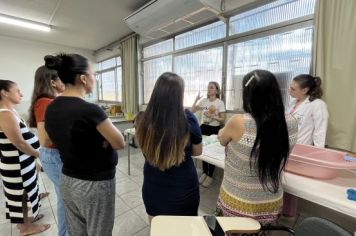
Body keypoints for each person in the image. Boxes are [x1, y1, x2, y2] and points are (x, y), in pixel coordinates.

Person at [43, 53, 125, 236]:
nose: (94, 79)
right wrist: (101, 139)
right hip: (94, 185)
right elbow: (119, 142)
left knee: (77, 231)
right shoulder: (90, 110)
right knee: (99, 231)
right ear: (83, 78)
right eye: (93, 75)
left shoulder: (52, 107)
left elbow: (53, 138)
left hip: (67, 180)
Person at [216, 70, 298, 225]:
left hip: (239, 200)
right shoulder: (291, 122)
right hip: (271, 200)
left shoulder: (239, 122)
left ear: (248, 95)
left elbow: (222, 140)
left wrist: (223, 132)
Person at [136, 72, 202, 223]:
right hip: (183, 189)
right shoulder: (189, 119)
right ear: (179, 95)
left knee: (159, 228)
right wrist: (180, 149)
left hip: (153, 188)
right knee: (186, 230)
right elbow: (198, 152)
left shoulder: (142, 119)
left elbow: (147, 149)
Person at [0, 80, 51, 235]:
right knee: (20, 195)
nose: (21, 93)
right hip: (16, 165)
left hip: (21, 162)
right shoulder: (5, 114)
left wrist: (33, 161)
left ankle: (27, 221)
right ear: (4, 93)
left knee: (25, 192)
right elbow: (19, 143)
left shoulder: (10, 112)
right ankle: (24, 227)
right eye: (17, 90)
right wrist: (38, 154)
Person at [28, 65, 68, 236]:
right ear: (53, 82)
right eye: (61, 79)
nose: (64, 82)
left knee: (64, 197)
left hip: (53, 155)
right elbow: (45, 139)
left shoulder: (45, 101)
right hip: (54, 155)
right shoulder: (46, 102)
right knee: (65, 200)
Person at [282, 74, 329, 218]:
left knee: (293, 184)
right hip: (285, 147)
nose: (289, 90)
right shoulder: (293, 102)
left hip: (301, 151)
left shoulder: (317, 104)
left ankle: (290, 215)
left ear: (305, 90)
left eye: (293, 88)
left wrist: (318, 156)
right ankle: (282, 211)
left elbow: (320, 131)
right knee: (284, 181)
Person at [192, 81, 225, 187]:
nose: (209, 89)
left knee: (212, 152)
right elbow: (192, 110)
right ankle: (205, 173)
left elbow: (222, 120)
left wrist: (213, 117)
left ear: (216, 90)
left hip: (214, 129)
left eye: (211, 87)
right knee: (203, 151)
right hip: (203, 127)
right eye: (208, 87)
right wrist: (196, 99)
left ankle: (210, 175)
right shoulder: (204, 101)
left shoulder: (219, 103)